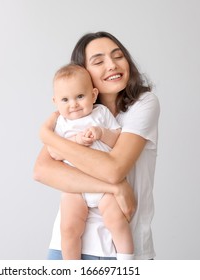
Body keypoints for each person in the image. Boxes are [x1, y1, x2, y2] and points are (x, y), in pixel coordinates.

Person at [34, 31, 160, 260]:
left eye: (118, 56)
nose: (111, 65)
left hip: (121, 251)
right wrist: (115, 188)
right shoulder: (71, 115)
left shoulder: (143, 104)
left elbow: (114, 169)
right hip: (68, 247)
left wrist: (47, 135)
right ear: (83, 72)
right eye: (99, 61)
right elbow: (42, 170)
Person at [51, 63, 134, 260]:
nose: (73, 104)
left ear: (94, 95)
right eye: (65, 99)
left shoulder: (101, 114)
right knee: (69, 229)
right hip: (75, 187)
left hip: (105, 185)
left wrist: (101, 133)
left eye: (80, 96)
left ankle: (127, 262)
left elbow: (117, 140)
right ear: (55, 102)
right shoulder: (61, 124)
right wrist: (75, 141)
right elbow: (54, 152)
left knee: (117, 221)